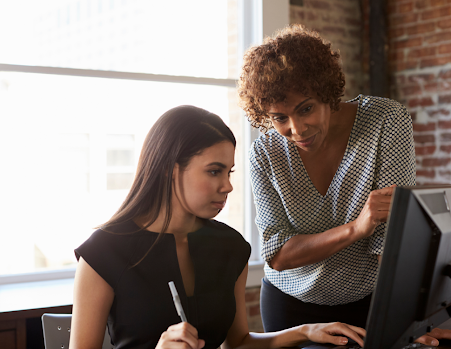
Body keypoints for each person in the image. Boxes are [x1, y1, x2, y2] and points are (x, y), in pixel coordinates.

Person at [69, 105, 366, 349]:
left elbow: (237, 343)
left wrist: (306, 331)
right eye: (214, 171)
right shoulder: (103, 253)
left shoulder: (231, 247)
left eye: (228, 172)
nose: (227, 186)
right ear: (170, 170)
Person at [237, 24, 449, 346]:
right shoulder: (264, 154)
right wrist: (355, 228)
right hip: (291, 307)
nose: (296, 129)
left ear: (327, 92)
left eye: (305, 108)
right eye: (280, 118)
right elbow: (277, 252)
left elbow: (390, 240)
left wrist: (411, 322)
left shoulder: (385, 121)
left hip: (371, 301)